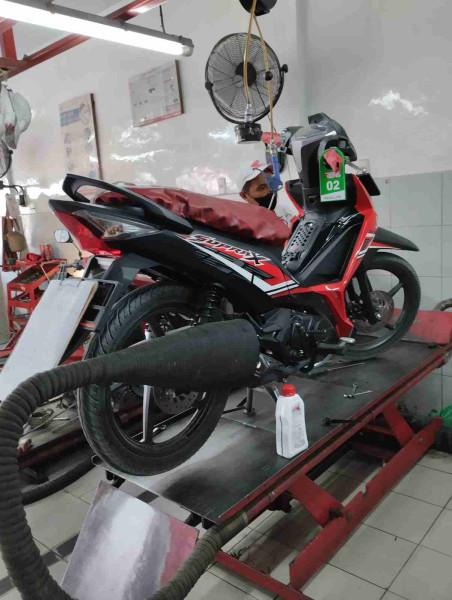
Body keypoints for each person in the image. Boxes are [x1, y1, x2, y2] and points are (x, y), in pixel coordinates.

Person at [237, 160, 298, 226]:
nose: (270, 190)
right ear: (244, 196)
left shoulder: (284, 211)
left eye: (271, 184)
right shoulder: (245, 226)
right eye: (262, 188)